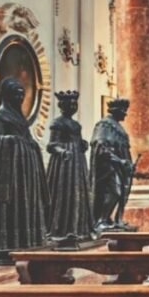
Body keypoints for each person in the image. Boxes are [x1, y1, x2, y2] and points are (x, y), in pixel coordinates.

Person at [0, 77, 50, 260]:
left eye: (22, 94)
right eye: (16, 94)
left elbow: (27, 139)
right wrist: (14, 141)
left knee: (23, 204)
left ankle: (25, 240)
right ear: (7, 95)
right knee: (9, 208)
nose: (20, 97)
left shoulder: (20, 119)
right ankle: (6, 243)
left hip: (22, 173)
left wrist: (31, 146)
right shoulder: (1, 116)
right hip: (9, 175)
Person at [46, 90, 95, 245]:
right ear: (62, 105)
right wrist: (62, 151)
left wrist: (82, 144)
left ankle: (79, 228)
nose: (73, 106)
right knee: (64, 194)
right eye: (70, 104)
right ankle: (61, 229)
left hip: (77, 162)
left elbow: (78, 140)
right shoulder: (57, 123)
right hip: (64, 165)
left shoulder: (76, 125)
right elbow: (51, 145)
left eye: (75, 104)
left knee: (78, 193)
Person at [90, 98, 135, 231]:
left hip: (119, 166)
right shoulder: (105, 124)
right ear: (116, 110)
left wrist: (128, 164)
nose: (125, 114)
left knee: (119, 193)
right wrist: (119, 160)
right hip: (108, 165)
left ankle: (109, 218)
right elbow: (101, 145)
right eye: (123, 111)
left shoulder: (117, 125)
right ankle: (100, 220)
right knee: (114, 191)